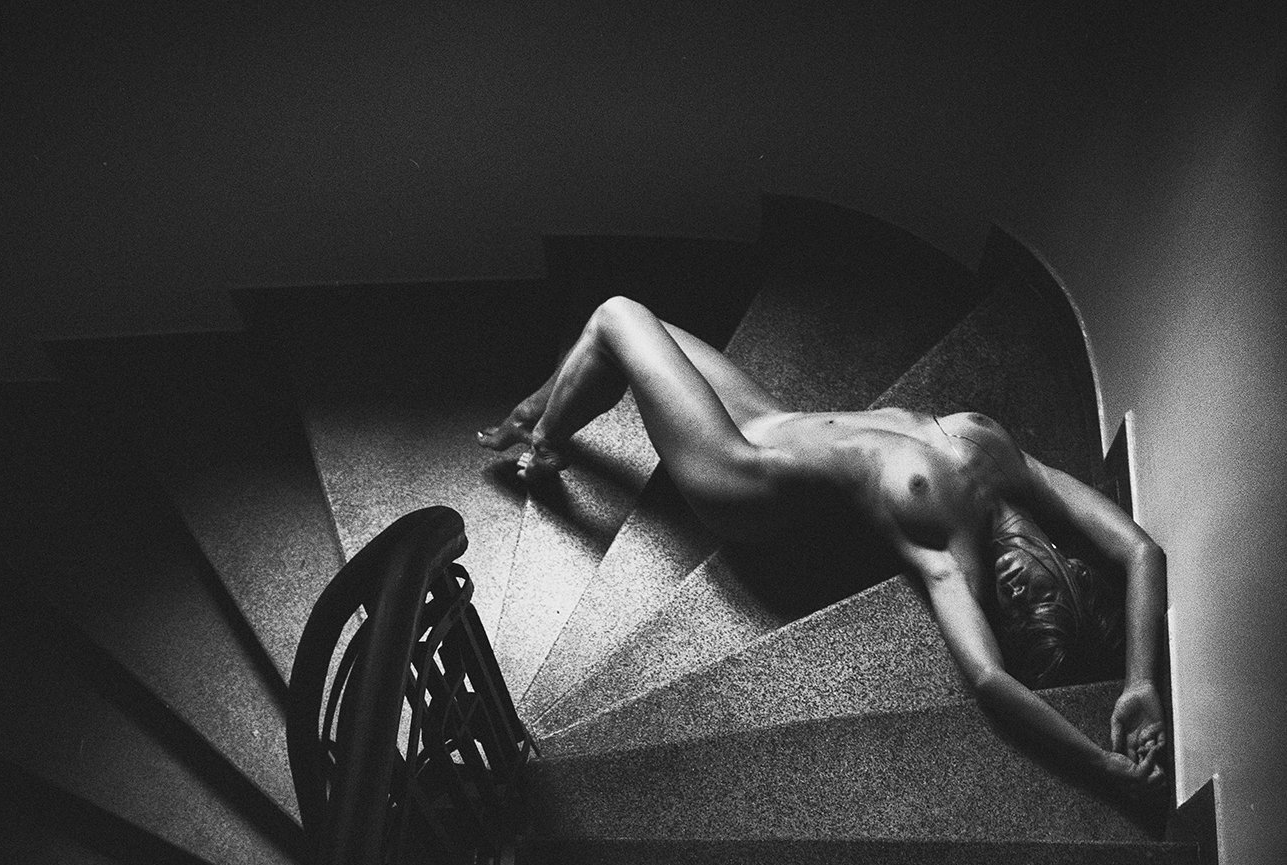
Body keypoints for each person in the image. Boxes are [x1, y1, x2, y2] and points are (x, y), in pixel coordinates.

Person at [477, 295, 1168, 797]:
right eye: (1043, 602)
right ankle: (539, 418)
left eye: (1016, 620)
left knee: (617, 316)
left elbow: (991, 680)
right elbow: (1140, 552)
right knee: (626, 328)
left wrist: (1098, 763)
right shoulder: (1015, 468)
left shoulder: (952, 547)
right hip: (772, 422)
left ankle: (543, 438)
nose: (1013, 599)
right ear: (1073, 568)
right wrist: (1138, 680)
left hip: (741, 475)